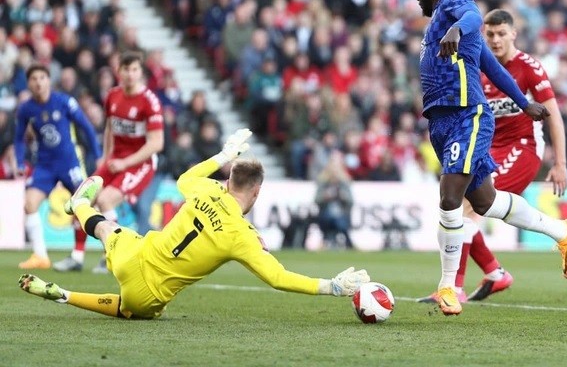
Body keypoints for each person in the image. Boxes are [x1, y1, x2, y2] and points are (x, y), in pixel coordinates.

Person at [19, 129, 370, 319]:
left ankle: (79, 204)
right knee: (129, 308)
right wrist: (332, 287)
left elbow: (187, 176)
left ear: (228, 180)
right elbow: (279, 278)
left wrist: (223, 155)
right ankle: (63, 296)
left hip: (135, 255)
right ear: (257, 193)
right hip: (148, 295)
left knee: (108, 229)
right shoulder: (242, 236)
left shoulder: (202, 187)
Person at [414, 0, 567, 316]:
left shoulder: (454, 1)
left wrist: (457, 28)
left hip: (466, 115)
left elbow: (472, 16)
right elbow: (490, 64)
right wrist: (524, 103)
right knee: (486, 201)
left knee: (450, 198)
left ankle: (448, 287)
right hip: (441, 121)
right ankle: (561, 230)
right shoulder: (437, 24)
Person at [54, 51, 165, 273]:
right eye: (126, 69)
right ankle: (77, 257)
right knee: (81, 198)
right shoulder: (113, 96)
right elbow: (109, 129)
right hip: (114, 160)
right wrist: (105, 156)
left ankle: (114, 255)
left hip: (140, 164)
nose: (130, 74)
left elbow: (156, 144)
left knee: (105, 201)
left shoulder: (149, 102)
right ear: (119, 71)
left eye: (134, 70)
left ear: (140, 72)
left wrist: (125, 163)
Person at [14, 64, 102, 269]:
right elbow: (19, 139)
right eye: (34, 79)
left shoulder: (64, 102)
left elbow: (86, 127)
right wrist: (19, 161)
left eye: (42, 77)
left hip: (69, 162)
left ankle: (82, 256)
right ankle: (40, 256)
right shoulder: (26, 109)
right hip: (44, 166)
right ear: (29, 83)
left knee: (84, 206)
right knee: (30, 204)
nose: (38, 82)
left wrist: (98, 155)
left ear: (48, 80)